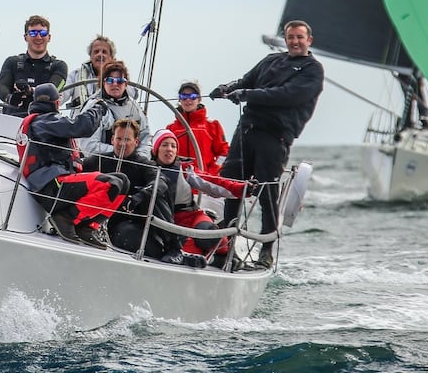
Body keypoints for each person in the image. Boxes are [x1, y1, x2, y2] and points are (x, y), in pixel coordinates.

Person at [209, 20, 324, 268]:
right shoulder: (271, 60)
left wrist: (246, 95)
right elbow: (247, 80)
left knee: (266, 191)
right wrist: (228, 88)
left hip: (274, 136)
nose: (294, 41)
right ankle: (227, 242)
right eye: (290, 37)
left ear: (309, 41)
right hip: (247, 130)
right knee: (232, 185)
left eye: (299, 37)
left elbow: (286, 95)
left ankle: (266, 249)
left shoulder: (312, 70)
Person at [20, 83, 126, 249]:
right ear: (56, 102)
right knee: (111, 184)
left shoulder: (45, 123)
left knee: (123, 181)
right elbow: (81, 127)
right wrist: (98, 108)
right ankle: (67, 218)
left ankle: (87, 226)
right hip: (53, 188)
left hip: (59, 184)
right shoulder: (45, 121)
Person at [82, 122, 187, 264]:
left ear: (136, 142)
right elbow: (78, 169)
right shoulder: (98, 160)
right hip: (102, 221)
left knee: (156, 192)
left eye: (127, 140)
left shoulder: (143, 164)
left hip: (130, 220)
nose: (122, 144)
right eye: (119, 139)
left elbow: (160, 181)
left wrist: (139, 196)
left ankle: (175, 249)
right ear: (112, 140)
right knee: (129, 237)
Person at [150, 129, 254, 264]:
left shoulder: (186, 169)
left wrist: (242, 189)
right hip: (170, 224)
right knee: (190, 251)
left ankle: (227, 256)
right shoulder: (147, 170)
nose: (169, 149)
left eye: (173, 146)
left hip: (193, 216)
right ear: (156, 149)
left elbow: (213, 183)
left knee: (213, 237)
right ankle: (214, 260)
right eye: (164, 145)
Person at [78, 60, 151, 162]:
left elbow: (145, 138)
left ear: (126, 84)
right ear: (103, 83)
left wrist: (140, 158)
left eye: (120, 81)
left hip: (135, 165)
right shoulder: (94, 106)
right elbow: (88, 145)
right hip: (103, 165)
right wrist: (120, 153)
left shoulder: (135, 107)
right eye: (110, 81)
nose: (115, 84)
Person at [0, 15, 68, 116]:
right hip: (12, 121)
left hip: (44, 124)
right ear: (26, 37)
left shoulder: (59, 66)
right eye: (33, 33)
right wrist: (10, 98)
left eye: (43, 33)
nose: (38, 37)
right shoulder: (12, 62)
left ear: (49, 37)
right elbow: (1, 87)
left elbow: (53, 90)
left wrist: (29, 90)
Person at [166, 81, 229, 177]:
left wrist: (212, 171)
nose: (188, 100)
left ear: (199, 99)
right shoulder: (170, 128)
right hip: (177, 183)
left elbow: (224, 153)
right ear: (180, 100)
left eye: (192, 96)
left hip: (204, 183)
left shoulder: (212, 125)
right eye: (183, 96)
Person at [61, 35, 116, 110]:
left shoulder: (120, 78)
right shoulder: (75, 75)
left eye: (104, 52)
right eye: (96, 52)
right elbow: (61, 96)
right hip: (80, 120)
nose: (100, 55)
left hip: (112, 120)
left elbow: (132, 95)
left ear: (111, 57)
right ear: (90, 56)